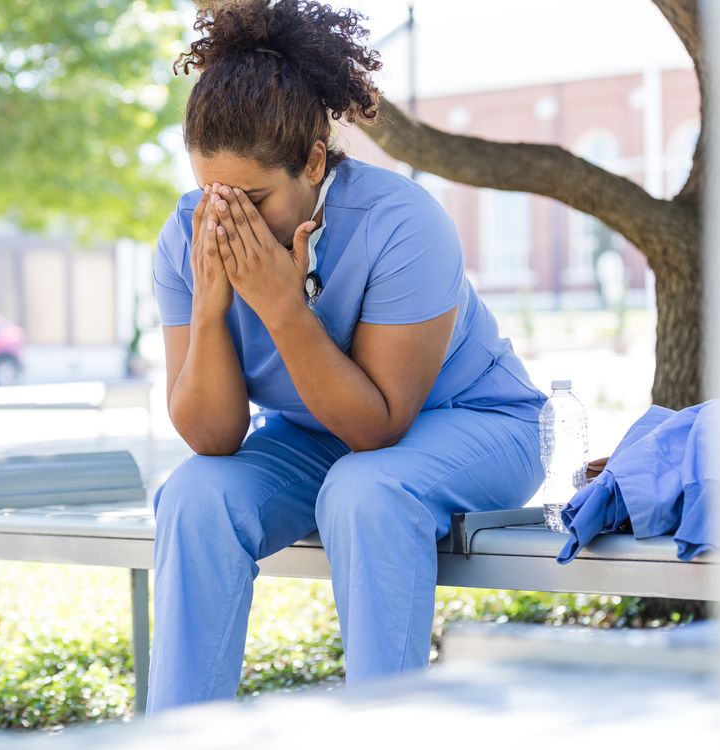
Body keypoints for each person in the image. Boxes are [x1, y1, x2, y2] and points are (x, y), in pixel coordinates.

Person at [148, 0, 547, 713]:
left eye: (253, 197)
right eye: (212, 194)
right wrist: (211, 307)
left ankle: (382, 727)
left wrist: (279, 307)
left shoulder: (402, 221)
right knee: (193, 496)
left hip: (472, 423)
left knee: (367, 491)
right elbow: (212, 438)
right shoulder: (185, 236)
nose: (227, 218)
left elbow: (377, 427)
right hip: (317, 439)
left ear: (311, 159)